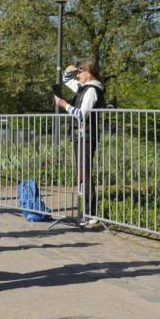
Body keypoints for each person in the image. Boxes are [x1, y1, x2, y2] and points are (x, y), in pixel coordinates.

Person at [54, 59, 106, 221]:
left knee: (85, 173)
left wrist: (64, 105)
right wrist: (70, 71)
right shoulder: (83, 87)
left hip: (86, 136)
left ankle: (91, 214)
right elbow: (66, 80)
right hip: (80, 135)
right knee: (82, 173)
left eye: (80, 72)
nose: (78, 75)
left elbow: (82, 115)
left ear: (88, 74)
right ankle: (86, 212)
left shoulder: (91, 90)